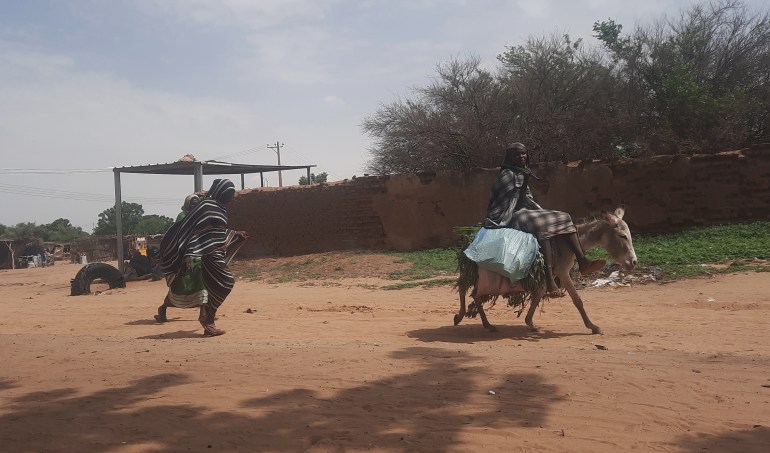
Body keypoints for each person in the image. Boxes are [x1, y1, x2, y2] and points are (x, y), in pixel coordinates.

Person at [483, 142, 605, 297]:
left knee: (564, 216)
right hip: (507, 214)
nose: (522, 156)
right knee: (540, 224)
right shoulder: (507, 175)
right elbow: (509, 201)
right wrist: (525, 181)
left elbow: (526, 199)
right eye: (517, 154)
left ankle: (583, 261)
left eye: (523, 153)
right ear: (510, 158)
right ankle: (549, 279)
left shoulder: (520, 172)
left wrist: (525, 181)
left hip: (524, 211)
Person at [155, 179, 248, 336]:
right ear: (221, 192)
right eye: (228, 194)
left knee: (213, 286)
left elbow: (214, 232)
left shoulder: (219, 208)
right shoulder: (206, 206)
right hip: (204, 253)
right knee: (226, 282)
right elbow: (191, 231)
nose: (231, 198)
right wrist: (189, 255)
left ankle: (207, 319)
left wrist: (234, 234)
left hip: (212, 252)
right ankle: (208, 319)